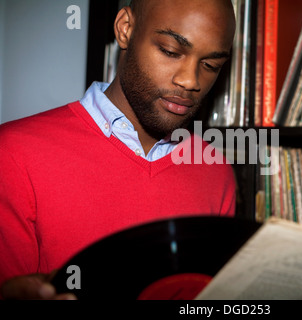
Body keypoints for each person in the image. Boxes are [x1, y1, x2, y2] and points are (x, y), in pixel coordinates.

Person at [0, 0, 237, 300]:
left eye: (211, 65)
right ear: (125, 28)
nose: (190, 81)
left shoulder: (216, 172)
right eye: (170, 51)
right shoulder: (13, 154)